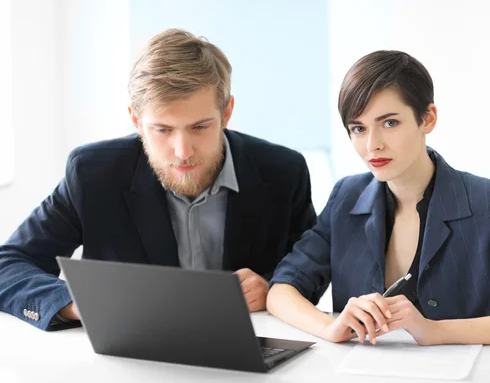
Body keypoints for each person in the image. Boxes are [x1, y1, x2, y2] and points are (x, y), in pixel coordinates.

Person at [0, 28, 316, 331]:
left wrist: (275, 289)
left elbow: (312, 269)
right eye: (162, 129)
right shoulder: (92, 173)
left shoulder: (284, 172)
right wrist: (80, 304)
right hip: (129, 358)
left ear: (227, 112)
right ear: (137, 121)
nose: (182, 152)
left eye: (200, 127)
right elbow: (9, 264)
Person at [267, 50, 490, 346]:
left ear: (427, 118)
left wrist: (434, 331)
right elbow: (281, 291)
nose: (372, 145)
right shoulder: (346, 197)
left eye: (390, 123)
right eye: (359, 128)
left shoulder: (488, 199)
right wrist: (331, 328)